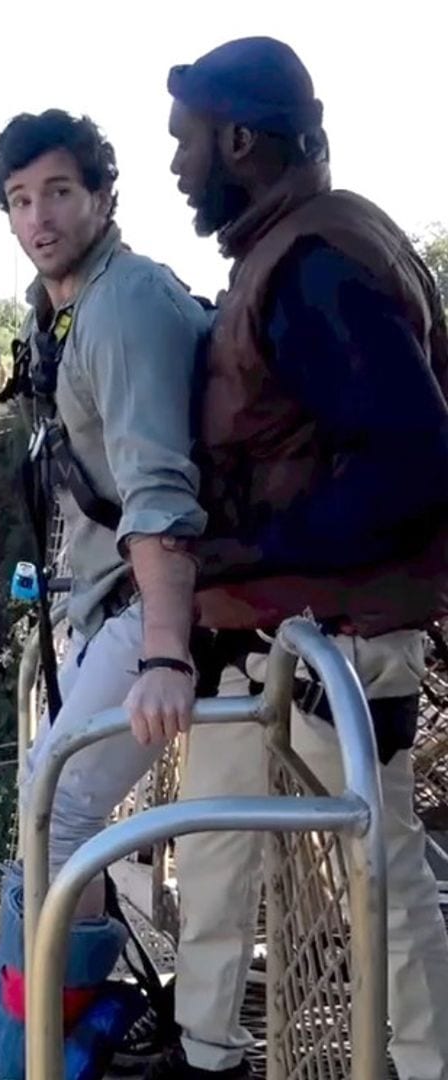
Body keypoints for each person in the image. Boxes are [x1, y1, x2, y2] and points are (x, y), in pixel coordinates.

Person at [151, 36, 448, 1080]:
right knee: (215, 848)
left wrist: (257, 553)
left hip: (334, 641)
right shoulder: (284, 255)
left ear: (239, 138)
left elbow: (413, 460)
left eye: (185, 141)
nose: (176, 163)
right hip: (265, 630)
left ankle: (421, 1066)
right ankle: (208, 1051)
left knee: (384, 881)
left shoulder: (320, 263)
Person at [0, 109, 212, 1080]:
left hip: (155, 603)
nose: (37, 218)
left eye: (57, 193)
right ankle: (15, 1007)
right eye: (18, 200)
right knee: (44, 802)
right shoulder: (70, 307)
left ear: (102, 197)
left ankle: (13, 1053)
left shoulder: (124, 310)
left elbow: (161, 489)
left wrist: (166, 648)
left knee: (62, 813)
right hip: (109, 604)